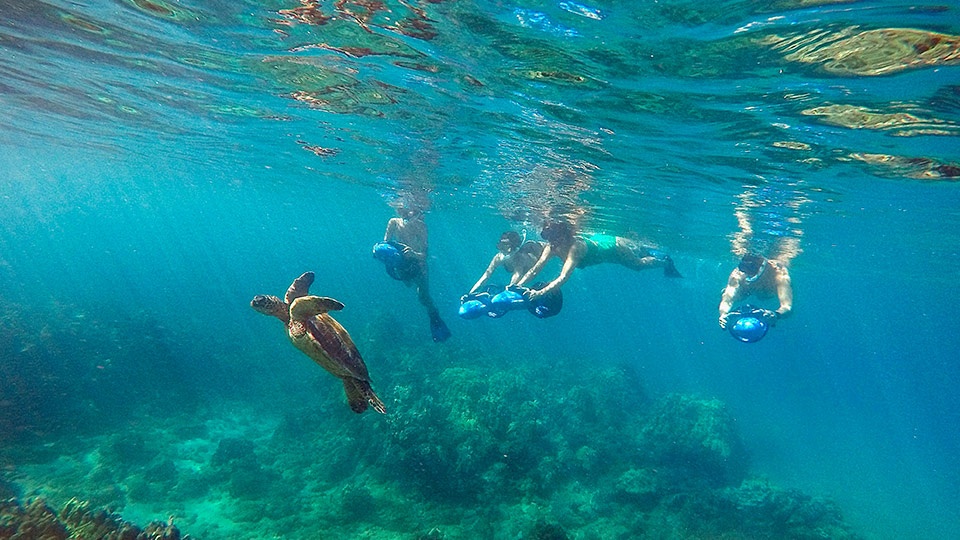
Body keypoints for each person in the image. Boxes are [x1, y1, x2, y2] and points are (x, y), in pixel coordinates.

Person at [519, 221, 682, 301]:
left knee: (637, 265)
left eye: (552, 236)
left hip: (614, 248)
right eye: (546, 236)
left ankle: (666, 261)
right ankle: (646, 250)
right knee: (638, 256)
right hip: (599, 244)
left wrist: (540, 293)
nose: (549, 240)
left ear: (562, 235)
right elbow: (535, 269)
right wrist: (517, 286)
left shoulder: (575, 248)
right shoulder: (552, 246)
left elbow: (563, 277)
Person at [378, 205, 451, 342]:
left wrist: (413, 254)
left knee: (423, 297)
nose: (402, 212)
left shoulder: (421, 226)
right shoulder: (393, 222)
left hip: (418, 264)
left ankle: (435, 318)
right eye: (400, 209)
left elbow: (425, 255)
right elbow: (385, 243)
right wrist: (379, 252)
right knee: (407, 284)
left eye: (406, 209)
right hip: (401, 263)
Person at [718, 253, 793, 329]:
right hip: (747, 290)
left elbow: (787, 307)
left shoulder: (779, 274)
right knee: (730, 294)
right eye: (743, 267)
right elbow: (727, 300)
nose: (747, 273)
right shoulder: (738, 275)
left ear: (762, 266)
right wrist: (723, 314)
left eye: (752, 268)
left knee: (766, 295)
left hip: (768, 292)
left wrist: (776, 315)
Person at [467, 231, 545, 294]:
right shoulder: (498, 258)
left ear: (514, 246)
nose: (503, 248)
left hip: (537, 249)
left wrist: (508, 291)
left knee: (542, 245)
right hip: (528, 249)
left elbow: (517, 275)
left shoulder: (519, 258)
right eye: (502, 244)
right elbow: (485, 276)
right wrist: (470, 293)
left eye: (506, 245)